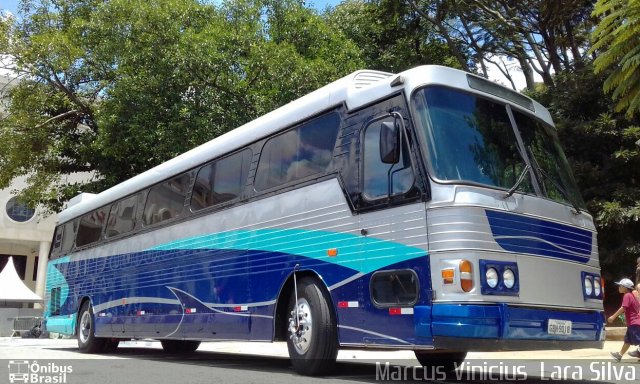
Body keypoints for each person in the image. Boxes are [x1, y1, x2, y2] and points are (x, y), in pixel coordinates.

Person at [608, 278, 640, 361]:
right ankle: (619, 355)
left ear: (625, 287)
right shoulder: (632, 296)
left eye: (620, 286)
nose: (619, 287)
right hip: (634, 323)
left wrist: (613, 316)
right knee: (628, 341)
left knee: (638, 339)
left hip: (634, 323)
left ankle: (638, 352)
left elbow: (623, 308)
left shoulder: (627, 295)